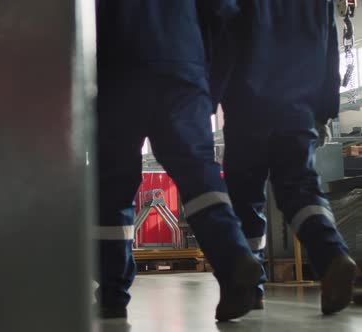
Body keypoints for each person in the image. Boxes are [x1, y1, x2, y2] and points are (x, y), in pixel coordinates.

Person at [94, 0, 260, 322]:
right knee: (198, 172)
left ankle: (112, 296)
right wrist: (209, 88)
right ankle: (235, 257)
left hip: (120, 71)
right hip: (184, 70)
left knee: (112, 184)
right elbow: (228, 21)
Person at [206, 0, 358, 314]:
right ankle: (331, 255)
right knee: (300, 188)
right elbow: (330, 46)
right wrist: (325, 110)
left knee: (245, 197)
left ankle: (247, 287)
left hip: (249, 102)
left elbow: (226, 33)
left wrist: (211, 96)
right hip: (300, 107)